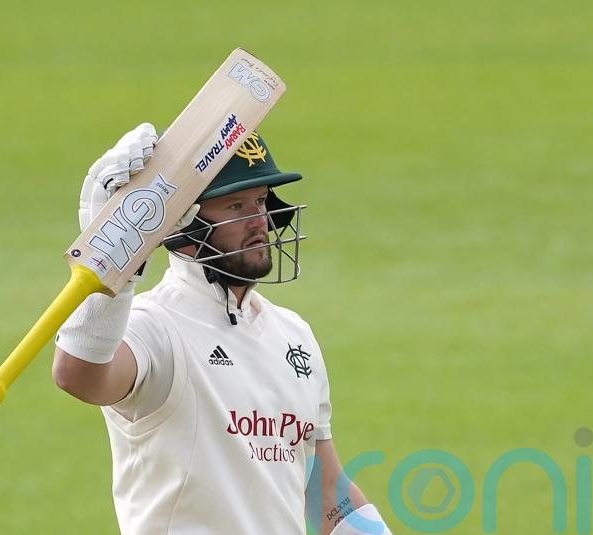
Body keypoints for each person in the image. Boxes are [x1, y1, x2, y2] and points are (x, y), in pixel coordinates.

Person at [53, 123, 392, 535]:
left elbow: (323, 491)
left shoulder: (294, 335)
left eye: (261, 201)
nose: (260, 221)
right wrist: (112, 269)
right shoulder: (153, 326)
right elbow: (79, 376)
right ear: (182, 225)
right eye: (236, 207)